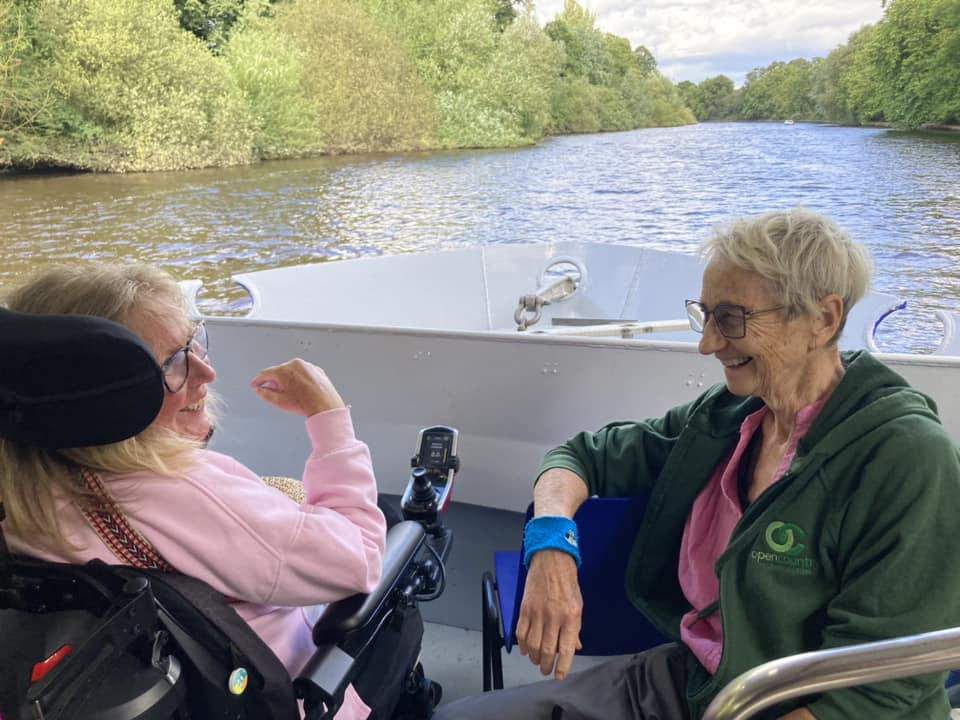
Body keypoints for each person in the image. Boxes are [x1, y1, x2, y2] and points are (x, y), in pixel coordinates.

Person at [435, 208, 960, 720]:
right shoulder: (729, 416)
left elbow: (876, 687)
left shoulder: (907, 459)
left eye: (731, 319)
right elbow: (578, 457)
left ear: (822, 319)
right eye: (705, 315)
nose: (707, 344)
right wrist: (551, 545)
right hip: (695, 680)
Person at [0, 263, 387, 720]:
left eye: (193, 343)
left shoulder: (25, 486)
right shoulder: (177, 493)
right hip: (287, 697)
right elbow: (359, 559)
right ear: (103, 395)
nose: (205, 372)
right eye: (171, 364)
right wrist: (331, 418)